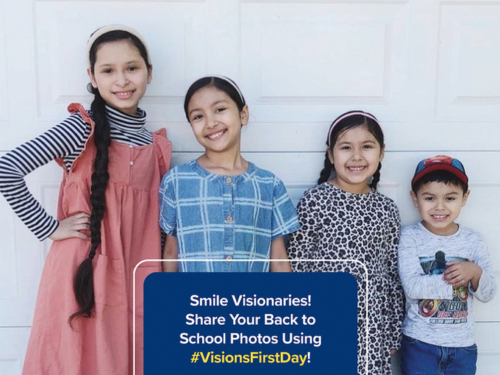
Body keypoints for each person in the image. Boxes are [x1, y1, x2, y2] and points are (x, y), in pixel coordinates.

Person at [0, 24, 172, 374]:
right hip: (82, 271)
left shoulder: (158, 148)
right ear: (91, 77)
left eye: (132, 68)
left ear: (149, 73)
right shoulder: (81, 129)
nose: (121, 80)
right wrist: (50, 228)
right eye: (108, 70)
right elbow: (8, 169)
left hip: (137, 272)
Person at [287, 111, 403, 375]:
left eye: (367, 147)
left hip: (372, 330)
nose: (357, 156)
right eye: (346, 147)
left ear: (381, 153)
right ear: (331, 155)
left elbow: (392, 272)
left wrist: (393, 331)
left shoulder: (386, 209)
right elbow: (296, 266)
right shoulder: (314, 201)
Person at [159, 76, 299, 272]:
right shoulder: (176, 181)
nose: (210, 122)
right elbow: (171, 253)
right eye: (198, 116)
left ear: (243, 114)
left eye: (220, 109)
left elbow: (278, 260)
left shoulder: (269, 185)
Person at [398, 155, 496, 375]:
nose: (439, 207)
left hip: (463, 347)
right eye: (430, 198)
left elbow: (488, 293)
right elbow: (412, 288)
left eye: (450, 198)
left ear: (464, 197)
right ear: (415, 199)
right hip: (419, 344)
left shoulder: (474, 240)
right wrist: (454, 280)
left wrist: (475, 273)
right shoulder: (409, 237)